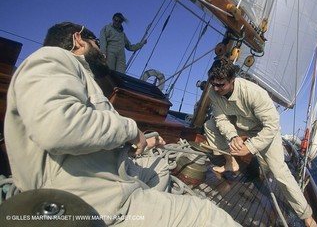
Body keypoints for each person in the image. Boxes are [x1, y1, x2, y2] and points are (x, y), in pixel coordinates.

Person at [4, 22, 240, 226]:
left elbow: (84, 133)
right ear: (78, 39)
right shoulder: (52, 58)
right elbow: (56, 127)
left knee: (158, 165)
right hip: (86, 198)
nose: (103, 52)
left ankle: (147, 211)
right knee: (209, 216)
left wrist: (138, 142)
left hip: (100, 177)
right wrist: (129, 130)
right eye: (97, 43)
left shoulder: (81, 77)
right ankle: (141, 212)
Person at [204, 58, 317, 227]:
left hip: (264, 129)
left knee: (279, 171)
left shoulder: (254, 93)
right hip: (241, 125)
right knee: (209, 125)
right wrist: (233, 136)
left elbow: (272, 126)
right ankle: (231, 163)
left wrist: (249, 147)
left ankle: (307, 216)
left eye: (221, 85)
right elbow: (220, 118)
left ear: (232, 80)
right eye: (213, 84)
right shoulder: (214, 92)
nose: (216, 88)